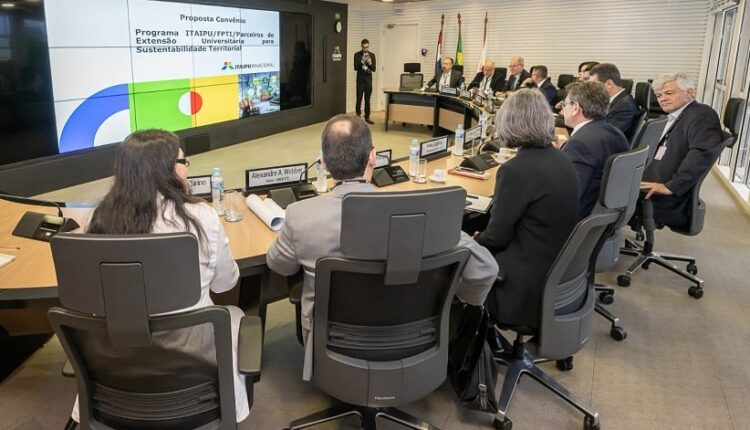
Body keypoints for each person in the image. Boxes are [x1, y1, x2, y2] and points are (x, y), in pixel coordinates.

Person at [266, 114, 498, 381]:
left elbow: (278, 264)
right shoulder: (423, 216)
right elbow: (486, 269)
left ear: (324, 164)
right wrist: (452, 302)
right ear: (373, 158)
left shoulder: (300, 216)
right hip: (415, 340)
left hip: (333, 346)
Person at [70, 130, 248, 424]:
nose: (187, 167)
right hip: (193, 362)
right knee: (234, 314)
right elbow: (226, 283)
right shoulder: (200, 218)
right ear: (166, 168)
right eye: (183, 161)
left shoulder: (97, 218)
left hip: (116, 364)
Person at [475, 89, 579, 329]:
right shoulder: (561, 158)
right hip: (553, 269)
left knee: (457, 254)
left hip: (521, 284)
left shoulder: (516, 170)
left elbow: (496, 237)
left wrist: (473, 240)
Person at [639, 72, 723, 228]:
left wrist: (672, 186)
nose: (662, 98)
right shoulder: (676, 116)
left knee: (598, 193)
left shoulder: (702, 115)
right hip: (651, 180)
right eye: (659, 95)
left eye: (669, 93)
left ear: (689, 92)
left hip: (663, 195)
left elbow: (701, 154)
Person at [558, 81, 630, 218]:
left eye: (565, 104)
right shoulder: (613, 132)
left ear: (575, 108)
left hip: (577, 219)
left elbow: (568, 198)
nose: (563, 109)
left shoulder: (579, 144)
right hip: (604, 214)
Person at [589, 63, 640, 140]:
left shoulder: (624, 105)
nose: (591, 90)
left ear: (609, 84)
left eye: (594, 85)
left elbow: (607, 135)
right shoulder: (616, 100)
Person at [353, 39, 376, 124]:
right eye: (364, 47)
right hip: (360, 80)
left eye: (367, 47)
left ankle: (367, 117)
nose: (365, 49)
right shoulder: (357, 55)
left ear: (368, 46)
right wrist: (362, 62)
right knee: (359, 98)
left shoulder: (372, 55)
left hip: (368, 80)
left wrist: (369, 63)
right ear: (361, 46)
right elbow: (355, 68)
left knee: (367, 99)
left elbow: (374, 69)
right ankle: (358, 115)